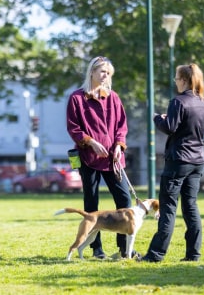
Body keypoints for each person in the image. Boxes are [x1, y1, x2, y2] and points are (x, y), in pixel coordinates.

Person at [66, 56, 134, 259]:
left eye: (109, 73)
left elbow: (121, 126)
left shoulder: (113, 97)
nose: (106, 76)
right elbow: (73, 128)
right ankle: (96, 249)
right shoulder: (77, 98)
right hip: (88, 159)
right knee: (91, 203)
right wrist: (91, 142)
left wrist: (119, 146)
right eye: (103, 71)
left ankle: (124, 249)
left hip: (113, 160)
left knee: (124, 199)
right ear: (92, 72)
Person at [141, 63, 204, 263]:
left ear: (184, 80)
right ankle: (193, 253)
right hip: (197, 160)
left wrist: (157, 118)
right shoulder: (203, 102)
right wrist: (169, 119)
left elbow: (170, 127)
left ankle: (156, 254)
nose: (175, 82)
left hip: (178, 160)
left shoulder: (178, 102)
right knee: (190, 206)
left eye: (177, 78)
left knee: (168, 208)